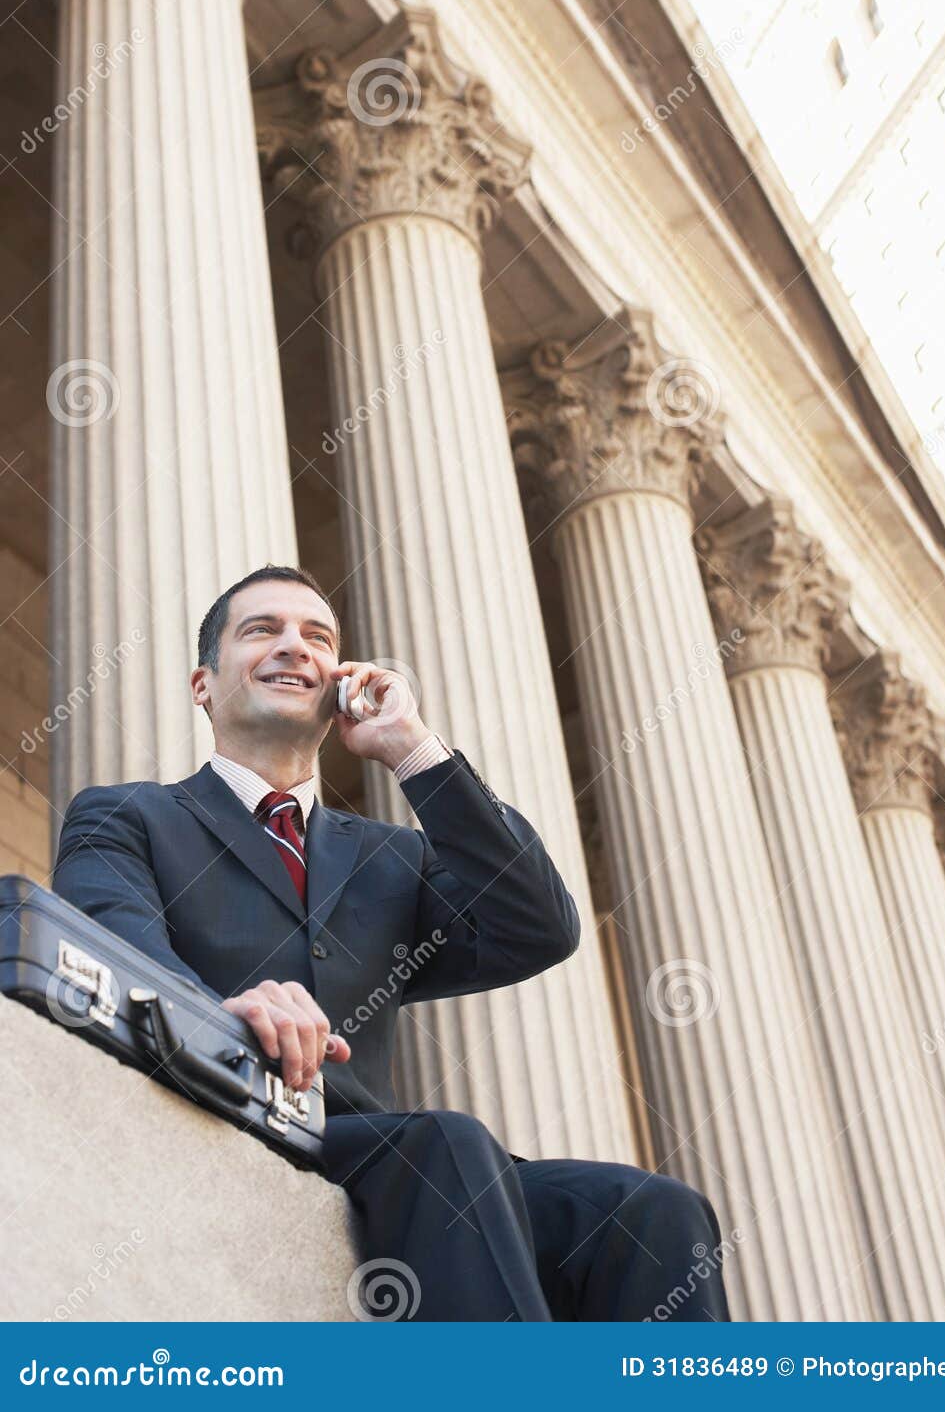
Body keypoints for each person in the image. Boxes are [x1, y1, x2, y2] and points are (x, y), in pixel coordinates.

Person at [53, 564, 730, 1322]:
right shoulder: (126, 816)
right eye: (262, 630)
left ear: (339, 684)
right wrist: (224, 1013)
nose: (294, 646)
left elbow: (538, 927)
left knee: (650, 1211)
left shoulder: (392, 857)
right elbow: (115, 945)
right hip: (218, 1111)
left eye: (318, 637)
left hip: (371, 1152)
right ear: (202, 684)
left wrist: (411, 749)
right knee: (446, 1143)